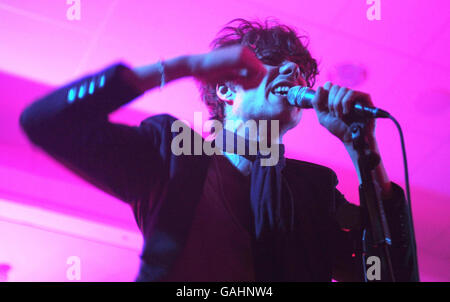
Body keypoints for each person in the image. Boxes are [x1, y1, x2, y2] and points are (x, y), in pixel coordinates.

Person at [19, 19, 417, 282]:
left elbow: (389, 273)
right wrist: (187, 65)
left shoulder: (312, 190)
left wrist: (361, 147)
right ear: (226, 88)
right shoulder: (170, 155)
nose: (294, 74)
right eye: (275, 62)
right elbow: (47, 122)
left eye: (299, 69)